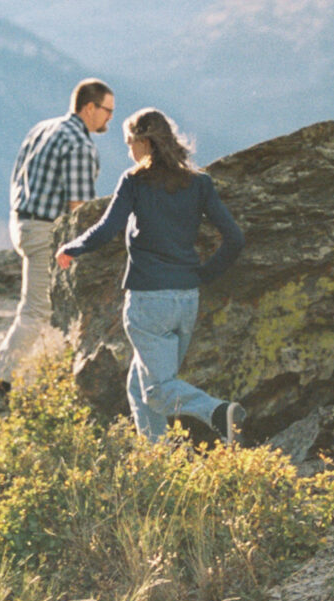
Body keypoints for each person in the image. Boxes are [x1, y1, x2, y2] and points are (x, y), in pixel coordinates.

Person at [55, 106, 246, 442]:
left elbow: (106, 229)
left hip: (148, 304)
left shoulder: (134, 182)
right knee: (139, 384)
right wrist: (203, 274)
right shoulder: (199, 183)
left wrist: (71, 247)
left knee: (158, 391)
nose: (129, 151)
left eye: (131, 143)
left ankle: (216, 411)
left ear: (144, 142)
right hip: (186, 301)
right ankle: (157, 460)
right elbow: (235, 238)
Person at [0, 78, 117, 411]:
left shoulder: (43, 128)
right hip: (45, 231)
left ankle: (55, 372)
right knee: (36, 309)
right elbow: (79, 209)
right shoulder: (80, 145)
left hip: (21, 222)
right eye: (107, 111)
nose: (109, 119)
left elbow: (17, 176)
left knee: (48, 304)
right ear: (89, 107)